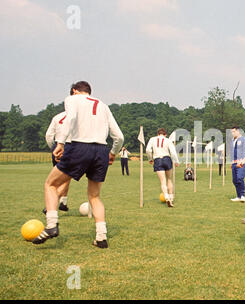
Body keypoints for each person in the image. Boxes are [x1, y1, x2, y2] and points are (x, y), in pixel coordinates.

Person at [32, 81, 124, 249]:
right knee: (94, 196)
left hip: (80, 147)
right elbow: (119, 136)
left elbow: (70, 119)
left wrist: (60, 143)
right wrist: (112, 153)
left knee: (51, 184)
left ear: (74, 91)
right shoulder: (103, 105)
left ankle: (52, 225)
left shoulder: (72, 99)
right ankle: (101, 237)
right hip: (101, 150)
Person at [43, 111, 72, 214]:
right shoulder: (78, 115)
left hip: (57, 146)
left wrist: (53, 148)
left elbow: (49, 135)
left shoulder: (57, 116)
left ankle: (63, 203)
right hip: (70, 146)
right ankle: (50, 206)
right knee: (67, 177)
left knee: (60, 176)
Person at [146, 128, 180, 207]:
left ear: (158, 134)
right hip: (167, 159)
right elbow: (173, 152)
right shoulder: (168, 140)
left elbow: (148, 150)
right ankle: (171, 197)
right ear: (165, 134)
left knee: (162, 181)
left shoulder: (152, 139)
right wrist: (176, 161)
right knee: (169, 179)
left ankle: (166, 197)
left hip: (157, 160)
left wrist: (150, 158)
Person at [230, 126, 245, 202]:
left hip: (241, 162)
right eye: (232, 132)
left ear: (238, 131)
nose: (232, 133)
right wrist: (232, 162)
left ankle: (242, 196)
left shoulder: (244, 140)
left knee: (240, 178)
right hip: (234, 163)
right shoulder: (232, 140)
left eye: (234, 131)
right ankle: (238, 196)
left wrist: (244, 160)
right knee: (234, 180)